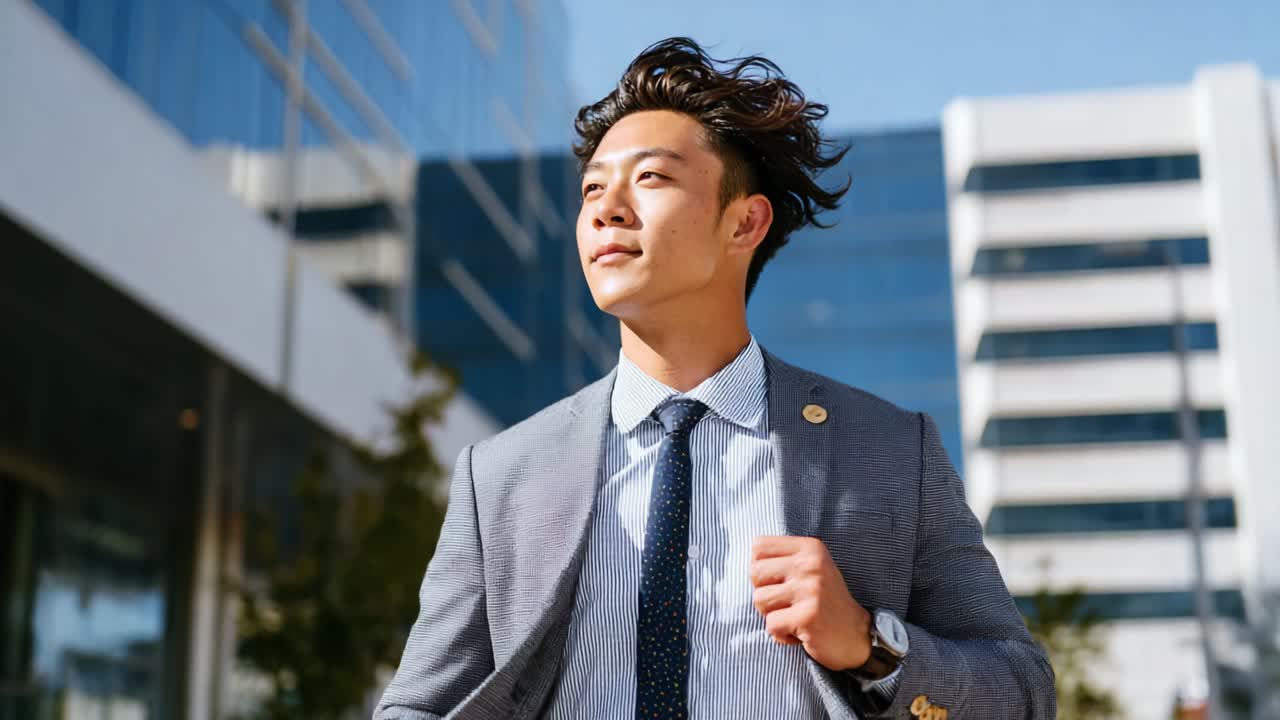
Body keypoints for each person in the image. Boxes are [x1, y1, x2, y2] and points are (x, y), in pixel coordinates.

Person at [375, 37, 1055, 720]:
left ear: (745, 222)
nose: (607, 208)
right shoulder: (500, 476)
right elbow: (418, 706)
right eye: (591, 189)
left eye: (650, 178)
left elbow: (1023, 692)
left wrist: (869, 644)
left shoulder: (890, 452)